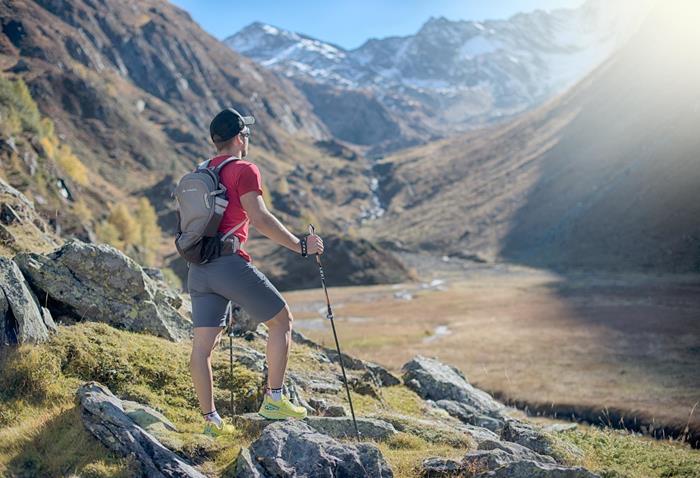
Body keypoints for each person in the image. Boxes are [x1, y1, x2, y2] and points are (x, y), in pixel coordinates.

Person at [187, 108, 324, 437]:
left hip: (198, 268)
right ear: (238, 138)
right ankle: (274, 400)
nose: (247, 139)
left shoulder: (199, 172)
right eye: (245, 134)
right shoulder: (243, 169)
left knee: (202, 348)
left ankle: (211, 422)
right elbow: (259, 218)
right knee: (282, 321)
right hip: (229, 265)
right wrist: (299, 245)